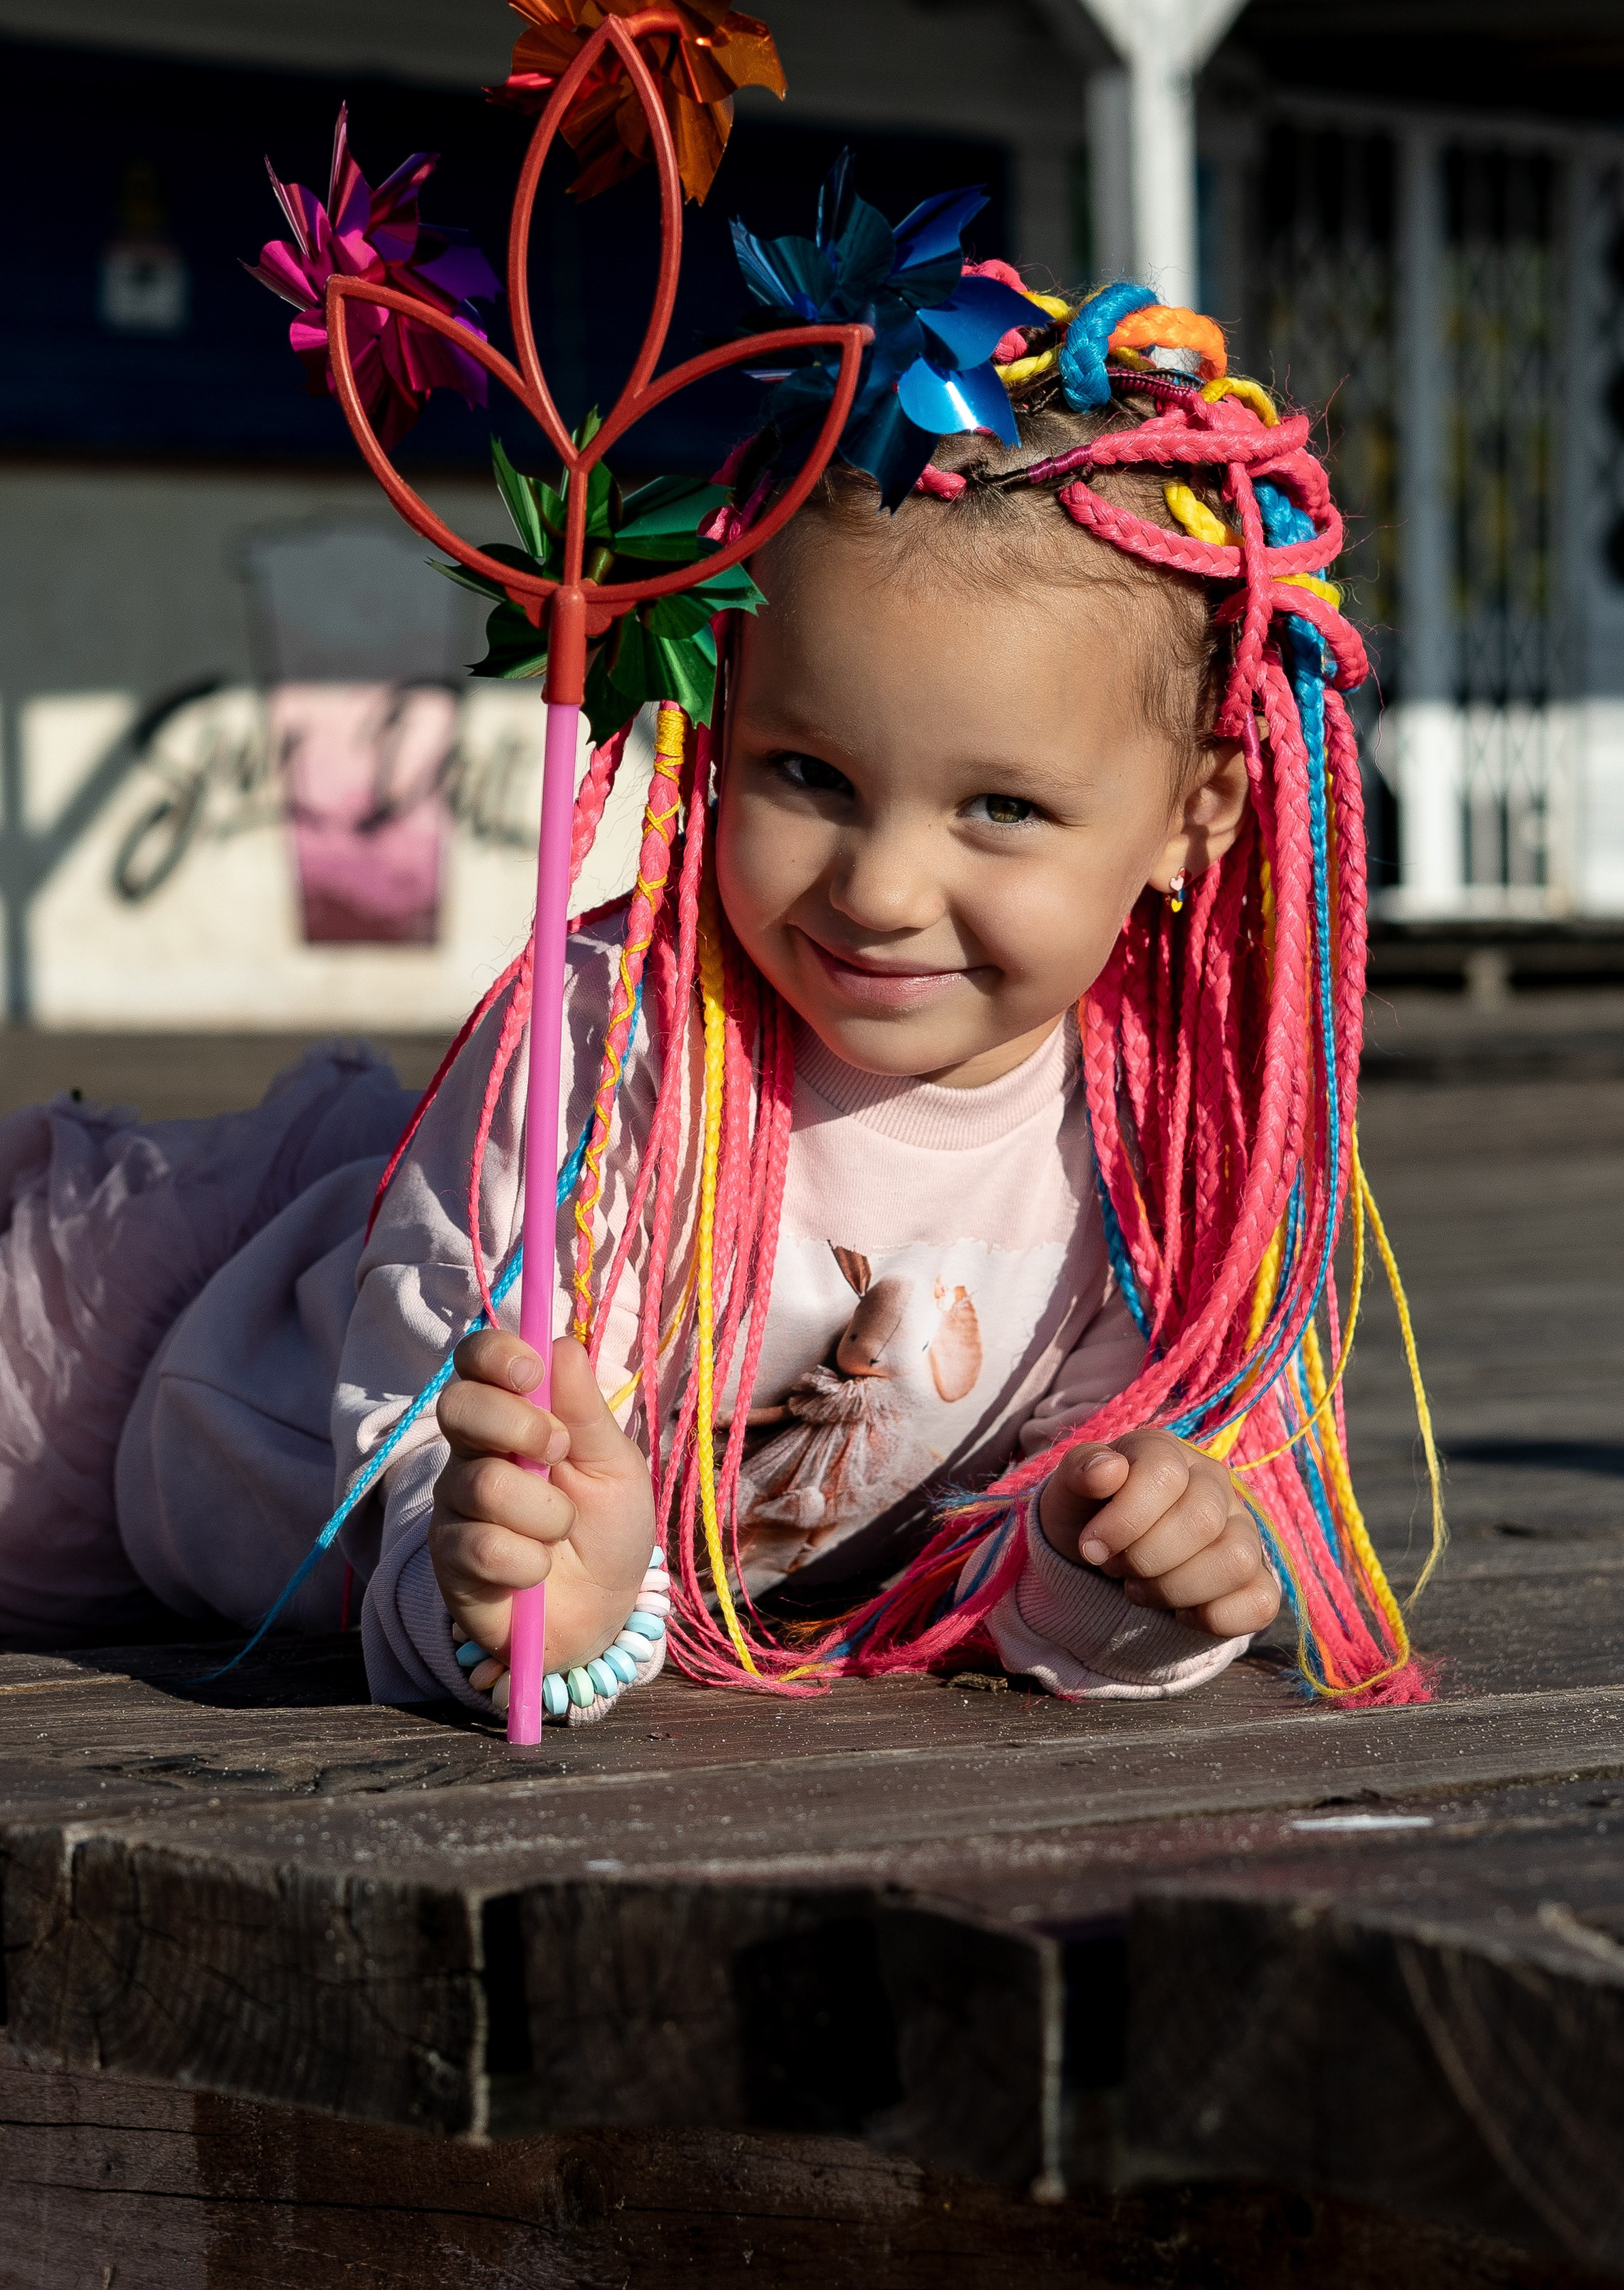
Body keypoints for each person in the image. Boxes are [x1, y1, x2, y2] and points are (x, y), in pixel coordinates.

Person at [0, 220, 1438, 1719]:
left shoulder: (1162, 1146)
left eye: (1002, 809)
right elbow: (441, 1426)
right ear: (718, 725)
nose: (880, 890)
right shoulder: (617, 1039)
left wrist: (1125, 1563)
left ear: (1196, 815)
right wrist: (521, 1597)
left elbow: (1032, 1538)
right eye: (809, 773)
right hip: (120, 1421)